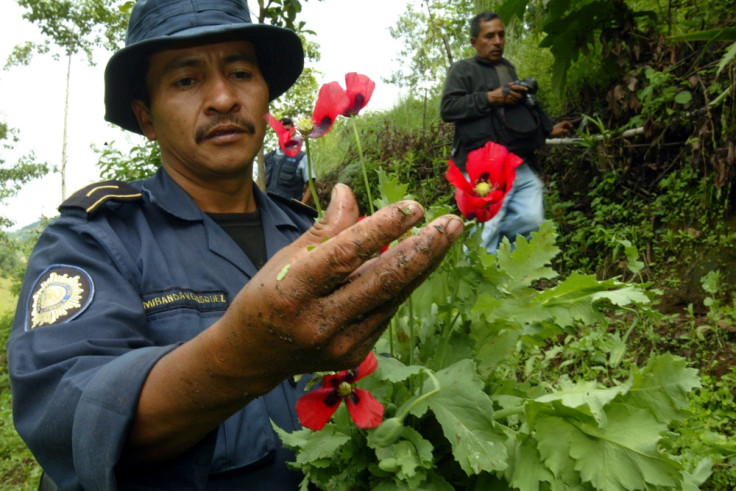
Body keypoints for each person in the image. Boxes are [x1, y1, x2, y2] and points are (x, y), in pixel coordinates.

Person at [5, 0, 464, 489]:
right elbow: (65, 412)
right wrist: (244, 355)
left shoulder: (315, 235)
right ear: (146, 118)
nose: (223, 97)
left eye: (241, 72)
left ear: (265, 95)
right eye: (186, 80)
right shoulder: (95, 238)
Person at [440, 11, 573, 254]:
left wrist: (548, 128)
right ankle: (479, 280)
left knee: (531, 219)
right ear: (474, 42)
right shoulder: (463, 70)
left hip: (513, 161)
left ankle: (504, 271)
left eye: (501, 35)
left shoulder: (506, 68)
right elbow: (448, 108)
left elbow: (524, 104)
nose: (498, 41)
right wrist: (490, 97)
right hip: (481, 166)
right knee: (486, 228)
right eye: (489, 36)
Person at [264, 117, 314, 203]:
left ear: (293, 132)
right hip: (268, 208)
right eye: (281, 130)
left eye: (287, 130)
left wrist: (300, 208)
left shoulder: (302, 157)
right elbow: (259, 181)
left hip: (290, 212)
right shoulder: (267, 158)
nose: (284, 133)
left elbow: (311, 186)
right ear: (276, 133)